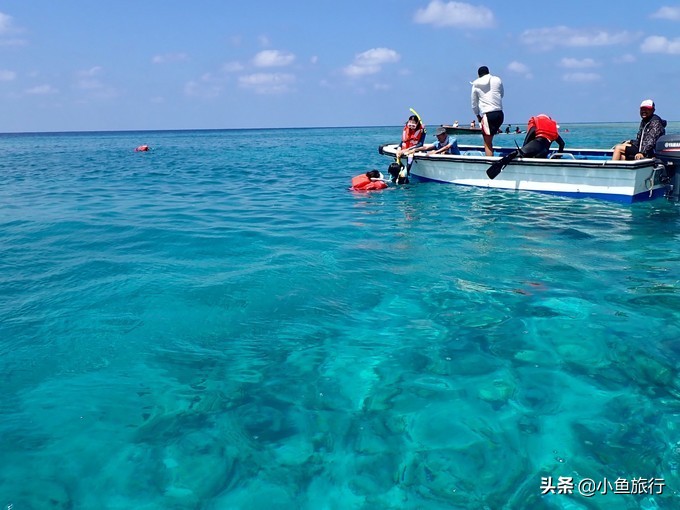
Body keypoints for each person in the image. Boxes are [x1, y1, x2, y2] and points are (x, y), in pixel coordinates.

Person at [486, 114, 565, 179]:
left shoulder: (535, 126)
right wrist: (558, 156)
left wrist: (523, 149)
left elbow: (529, 137)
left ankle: (492, 172)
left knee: (515, 154)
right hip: (544, 152)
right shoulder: (553, 131)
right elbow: (562, 144)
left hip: (536, 145)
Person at [471, 65, 504, 156]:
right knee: (491, 137)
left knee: (487, 143)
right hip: (500, 114)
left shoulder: (476, 84)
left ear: (479, 75)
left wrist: (478, 116)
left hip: (488, 115)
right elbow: (501, 94)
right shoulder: (497, 80)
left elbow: (474, 103)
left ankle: (490, 164)